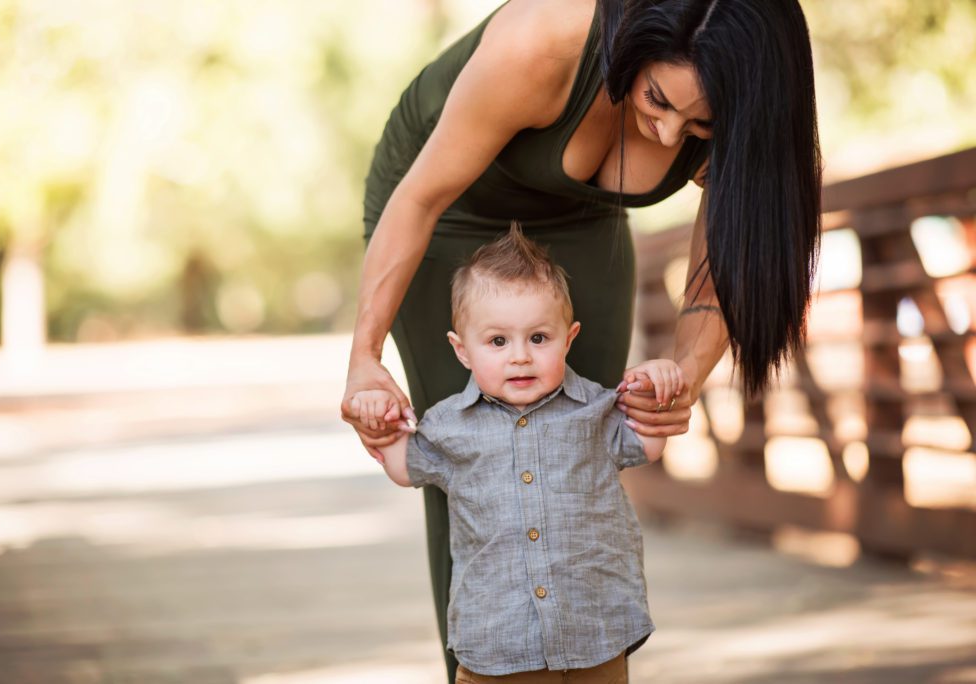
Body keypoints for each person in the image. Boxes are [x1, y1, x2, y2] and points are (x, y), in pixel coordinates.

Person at [342, 0, 821, 680]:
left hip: (581, 219)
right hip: (448, 207)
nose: (666, 133)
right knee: (478, 461)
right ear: (637, 44)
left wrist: (680, 377)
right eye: (657, 99)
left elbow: (724, 270)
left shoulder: (743, 104)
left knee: (582, 447)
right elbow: (418, 199)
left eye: (700, 126)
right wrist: (364, 358)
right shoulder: (542, 42)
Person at [350, 223, 685, 681]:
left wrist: (661, 380)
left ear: (569, 338)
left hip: (596, 631)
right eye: (498, 341)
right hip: (498, 643)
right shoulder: (449, 425)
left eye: (539, 338)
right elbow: (404, 467)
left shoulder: (596, 410)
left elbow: (648, 441)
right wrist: (380, 419)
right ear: (462, 350)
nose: (520, 356)